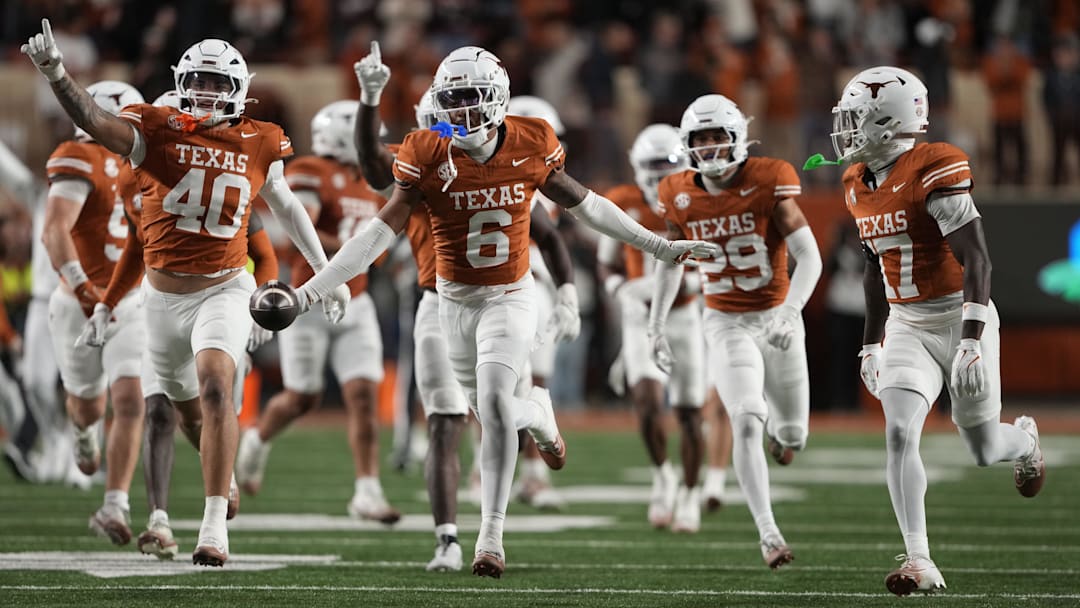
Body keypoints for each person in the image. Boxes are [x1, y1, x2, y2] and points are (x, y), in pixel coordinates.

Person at [298, 45, 714, 578]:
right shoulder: (427, 148)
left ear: (497, 98)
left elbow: (586, 206)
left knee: (493, 407)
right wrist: (311, 290)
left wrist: (657, 246)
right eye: (452, 99)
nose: (461, 110)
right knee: (485, 412)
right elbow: (378, 234)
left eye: (472, 97)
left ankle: (489, 538)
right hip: (451, 301)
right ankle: (537, 413)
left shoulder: (529, 140)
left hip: (510, 295)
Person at [23, 22, 350, 566]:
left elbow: (288, 208)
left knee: (217, 385)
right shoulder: (155, 130)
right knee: (187, 414)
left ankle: (212, 525)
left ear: (239, 90)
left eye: (219, 83)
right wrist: (57, 74)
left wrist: (325, 271)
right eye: (198, 81)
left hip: (225, 288)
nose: (207, 92)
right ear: (181, 84)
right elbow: (95, 120)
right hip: (159, 298)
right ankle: (216, 478)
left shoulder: (260, 139)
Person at [351, 44, 581, 571]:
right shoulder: (421, 160)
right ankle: (447, 540)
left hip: (500, 297)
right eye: (443, 117)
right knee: (444, 420)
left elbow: (548, 232)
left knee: (493, 409)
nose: (452, 126)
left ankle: (491, 522)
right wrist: (369, 99)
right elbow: (371, 163)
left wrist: (566, 291)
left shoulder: (492, 162)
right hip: (438, 303)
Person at [829, 66, 1045, 595]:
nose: (846, 129)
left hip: (960, 316)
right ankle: (919, 559)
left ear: (886, 121)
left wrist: (971, 337)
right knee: (899, 431)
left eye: (855, 118)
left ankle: (1026, 443)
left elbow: (978, 260)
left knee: (982, 447)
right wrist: (870, 343)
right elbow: (873, 267)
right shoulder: (856, 181)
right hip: (907, 323)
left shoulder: (934, 167)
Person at [649, 94, 822, 569]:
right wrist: (656, 324)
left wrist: (790, 312)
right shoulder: (677, 191)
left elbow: (809, 256)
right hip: (724, 320)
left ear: (737, 139)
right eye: (700, 139)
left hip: (775, 316)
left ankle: (782, 438)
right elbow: (670, 260)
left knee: (793, 436)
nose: (709, 147)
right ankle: (768, 533)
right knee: (745, 415)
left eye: (717, 137)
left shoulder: (768, 178)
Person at [235, 99, 402, 525]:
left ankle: (367, 491)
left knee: (364, 397)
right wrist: (356, 250)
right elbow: (300, 231)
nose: (373, 141)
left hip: (358, 302)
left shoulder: (370, 180)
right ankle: (257, 439)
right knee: (302, 397)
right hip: (310, 300)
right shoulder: (311, 170)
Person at [41, 79, 147, 545]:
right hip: (77, 300)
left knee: (131, 399)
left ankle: (115, 504)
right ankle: (83, 431)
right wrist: (84, 289)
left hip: (130, 300)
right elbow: (54, 230)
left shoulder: (145, 162)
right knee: (89, 406)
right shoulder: (78, 156)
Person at [598, 123, 707, 532]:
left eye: (667, 164)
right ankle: (663, 475)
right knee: (645, 401)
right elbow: (606, 263)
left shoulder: (697, 200)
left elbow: (716, 260)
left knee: (690, 412)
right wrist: (620, 289)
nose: (659, 173)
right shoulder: (623, 201)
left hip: (685, 314)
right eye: (652, 165)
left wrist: (691, 282)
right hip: (640, 319)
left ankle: (691, 494)